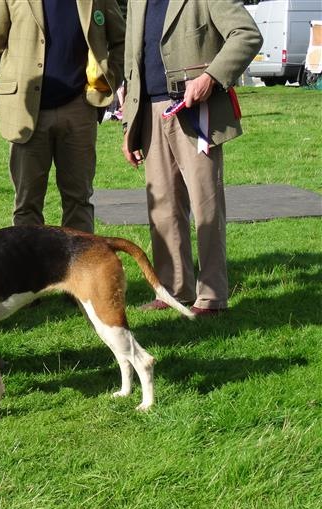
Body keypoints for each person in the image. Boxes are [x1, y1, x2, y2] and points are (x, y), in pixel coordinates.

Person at [121, 0, 262, 316]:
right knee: (163, 209)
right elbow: (132, 62)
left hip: (198, 112)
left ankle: (212, 298)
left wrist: (211, 77)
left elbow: (247, 34)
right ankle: (174, 291)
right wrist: (130, 125)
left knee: (206, 207)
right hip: (150, 113)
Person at [0, 0, 125, 233]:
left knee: (78, 200)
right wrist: (21, 71)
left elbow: (122, 40)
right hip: (27, 111)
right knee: (28, 204)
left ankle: (79, 258)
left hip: (80, 106)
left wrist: (110, 76)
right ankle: (32, 259)